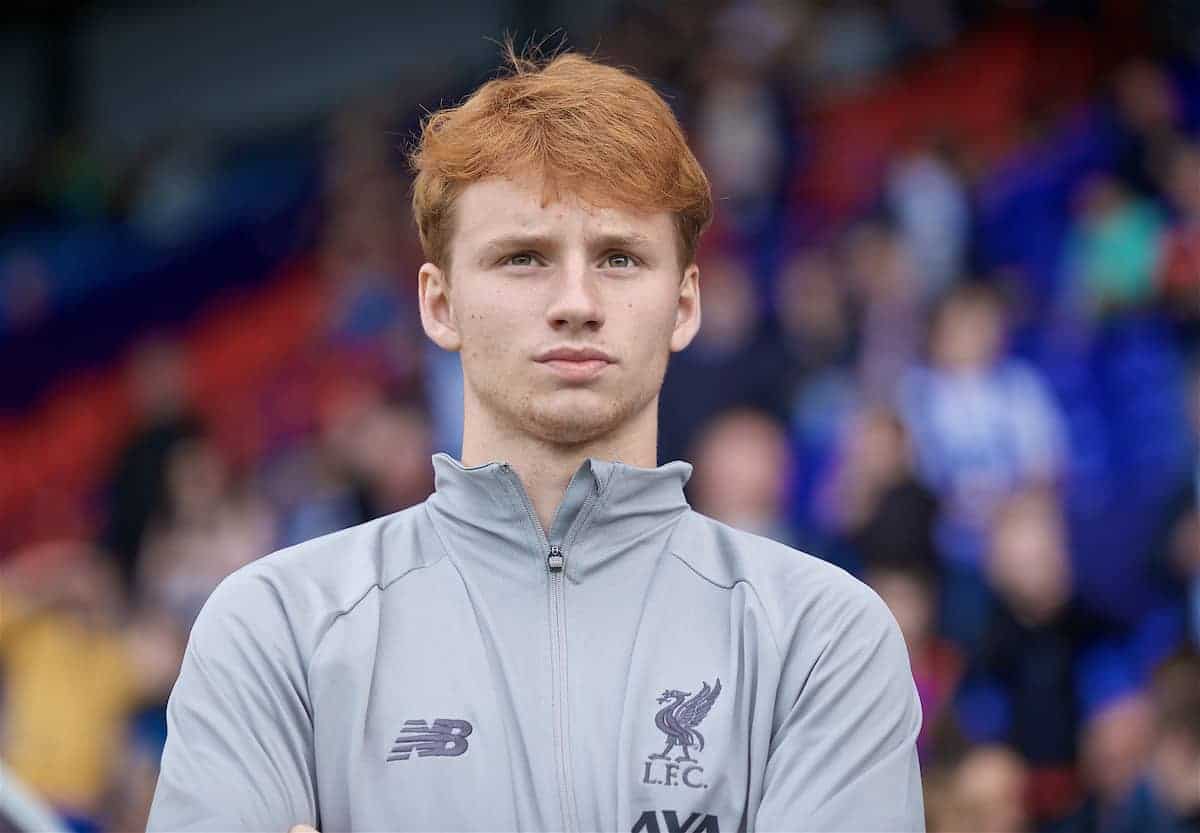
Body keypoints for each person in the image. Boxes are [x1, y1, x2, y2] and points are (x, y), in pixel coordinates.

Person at [146, 46, 924, 833]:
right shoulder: (276, 630)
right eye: (524, 258)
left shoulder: (821, 640)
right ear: (439, 303)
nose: (576, 302)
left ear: (684, 304)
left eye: (619, 257)